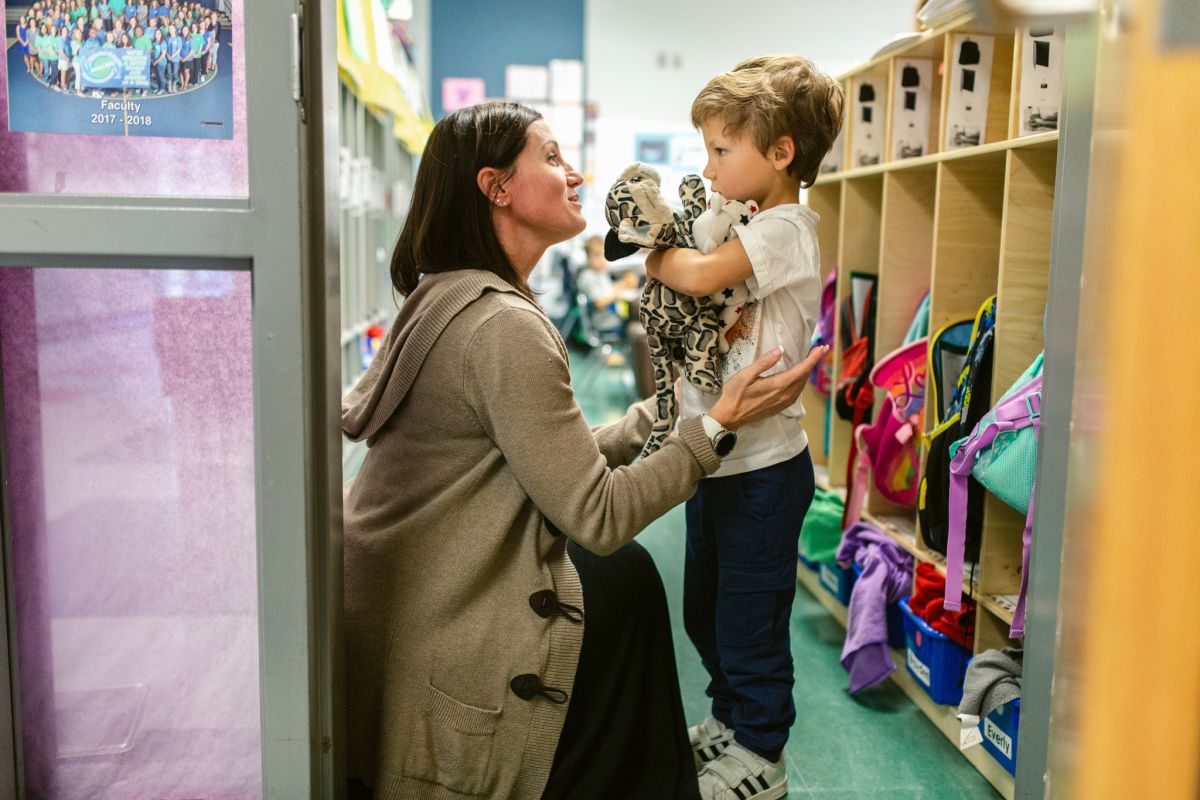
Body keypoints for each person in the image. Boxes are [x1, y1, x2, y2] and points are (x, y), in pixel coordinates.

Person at [341, 101, 828, 800]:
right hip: (449, 621)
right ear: (496, 188)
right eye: (551, 157)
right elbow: (597, 514)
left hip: (418, 597)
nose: (574, 174)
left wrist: (676, 408)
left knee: (627, 580)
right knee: (624, 575)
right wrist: (715, 424)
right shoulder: (502, 326)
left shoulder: (450, 293)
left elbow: (544, 451)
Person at [644, 55, 844, 799]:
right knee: (705, 612)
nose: (709, 168)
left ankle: (763, 754)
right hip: (717, 460)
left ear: (781, 153)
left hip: (764, 471)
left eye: (721, 150)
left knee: (750, 622)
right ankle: (729, 718)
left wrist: (653, 249)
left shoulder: (788, 227)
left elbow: (697, 276)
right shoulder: (751, 222)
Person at [576, 234, 637, 334]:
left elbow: (607, 290)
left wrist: (623, 284)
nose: (602, 259)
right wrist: (618, 293)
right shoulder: (588, 277)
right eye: (597, 255)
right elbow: (599, 303)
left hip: (612, 317)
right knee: (636, 322)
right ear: (588, 257)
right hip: (605, 323)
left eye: (604, 254)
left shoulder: (600, 273)